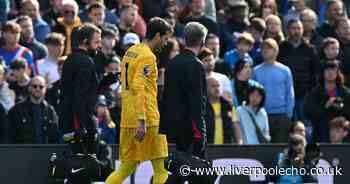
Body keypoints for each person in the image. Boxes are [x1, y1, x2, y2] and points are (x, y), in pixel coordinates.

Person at [105, 17, 173, 184]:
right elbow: (138, 87)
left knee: (126, 167)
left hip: (128, 119)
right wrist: (142, 120)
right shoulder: (148, 57)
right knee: (161, 168)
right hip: (147, 120)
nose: (165, 44)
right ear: (157, 36)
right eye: (164, 39)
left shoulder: (130, 52)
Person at [160, 22, 208, 162]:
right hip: (191, 131)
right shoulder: (196, 65)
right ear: (202, 41)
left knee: (180, 171)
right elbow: (197, 102)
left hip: (173, 128)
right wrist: (200, 132)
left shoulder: (172, 63)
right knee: (197, 172)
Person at [59, 23, 103, 158]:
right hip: (80, 124)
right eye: (96, 42)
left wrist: (105, 82)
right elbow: (80, 95)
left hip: (70, 121)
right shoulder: (85, 62)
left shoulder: (69, 60)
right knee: (84, 167)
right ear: (85, 42)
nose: (99, 46)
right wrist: (82, 125)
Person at [253, 38, 295, 143]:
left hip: (281, 115)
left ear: (276, 51)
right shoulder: (256, 71)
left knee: (280, 146)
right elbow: (253, 94)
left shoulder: (285, 70)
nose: (265, 50)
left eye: (269, 48)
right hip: (261, 114)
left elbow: (289, 93)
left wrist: (288, 115)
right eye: (263, 48)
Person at [278, 19, 319, 122]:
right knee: (288, 124)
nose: (296, 31)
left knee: (305, 123)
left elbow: (315, 72)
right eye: (293, 28)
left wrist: (312, 91)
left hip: (305, 93)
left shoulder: (310, 49)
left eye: (299, 28)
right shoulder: (281, 48)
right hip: (285, 93)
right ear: (287, 30)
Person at [304, 60, 350, 142]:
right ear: (322, 73)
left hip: (343, 132)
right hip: (321, 132)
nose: (330, 73)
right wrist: (325, 106)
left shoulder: (345, 92)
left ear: (337, 73)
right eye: (327, 70)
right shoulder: (315, 93)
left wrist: (341, 107)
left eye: (333, 70)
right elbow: (309, 113)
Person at [7, 76, 59, 144]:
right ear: (29, 88)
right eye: (34, 86)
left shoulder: (50, 111)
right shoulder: (17, 110)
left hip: (45, 152)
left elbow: (55, 136)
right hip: (23, 152)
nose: (37, 89)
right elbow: (9, 135)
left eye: (41, 87)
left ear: (45, 89)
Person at [205, 77, 236, 144]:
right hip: (208, 149)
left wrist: (240, 142)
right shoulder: (201, 106)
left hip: (226, 148)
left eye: (218, 85)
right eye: (213, 86)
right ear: (205, 88)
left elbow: (235, 125)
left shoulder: (228, 105)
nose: (217, 88)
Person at [336, 18, 350, 87]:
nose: (347, 30)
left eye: (349, 28)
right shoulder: (331, 46)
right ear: (337, 31)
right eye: (344, 28)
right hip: (337, 87)